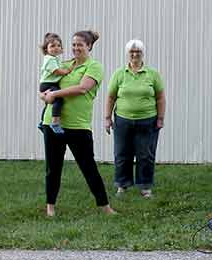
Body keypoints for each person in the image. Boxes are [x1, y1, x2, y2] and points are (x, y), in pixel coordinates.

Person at [40, 30, 115, 216]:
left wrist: (54, 95)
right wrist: (43, 96)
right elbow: (45, 83)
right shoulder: (63, 64)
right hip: (53, 123)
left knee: (88, 167)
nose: (75, 48)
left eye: (80, 45)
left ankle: (104, 206)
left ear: (89, 46)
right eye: (73, 45)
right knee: (53, 168)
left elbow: (83, 88)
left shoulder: (94, 66)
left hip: (78, 126)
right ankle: (50, 206)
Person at [104, 39, 166, 198]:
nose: (134, 54)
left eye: (138, 51)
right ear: (128, 54)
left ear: (142, 53)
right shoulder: (119, 74)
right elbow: (111, 97)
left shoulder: (152, 74)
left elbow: (160, 98)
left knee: (145, 154)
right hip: (122, 120)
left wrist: (160, 118)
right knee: (122, 153)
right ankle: (122, 185)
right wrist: (107, 118)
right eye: (132, 52)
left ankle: (145, 187)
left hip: (148, 121)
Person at [39, 33, 71, 134]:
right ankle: (55, 122)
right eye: (52, 46)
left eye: (58, 46)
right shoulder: (49, 59)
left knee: (48, 104)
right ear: (46, 49)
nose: (56, 48)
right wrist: (68, 71)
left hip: (49, 84)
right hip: (48, 84)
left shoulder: (55, 59)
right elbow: (57, 71)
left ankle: (41, 122)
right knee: (59, 99)